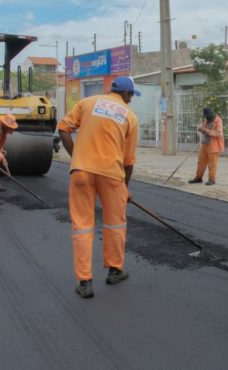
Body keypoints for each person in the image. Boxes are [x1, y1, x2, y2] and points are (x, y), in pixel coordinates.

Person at [57, 76, 140, 299]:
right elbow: (128, 161)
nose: (130, 100)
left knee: (82, 226)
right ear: (126, 94)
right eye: (131, 96)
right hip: (112, 175)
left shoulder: (88, 102)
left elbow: (63, 128)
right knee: (115, 224)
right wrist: (124, 188)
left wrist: (77, 158)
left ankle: (84, 283)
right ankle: (115, 270)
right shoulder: (129, 116)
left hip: (81, 172)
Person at [188, 107, 224, 186]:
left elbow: (218, 134)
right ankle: (198, 178)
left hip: (213, 145)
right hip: (204, 144)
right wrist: (201, 129)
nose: (206, 118)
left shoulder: (218, 121)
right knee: (201, 162)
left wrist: (206, 131)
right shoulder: (206, 120)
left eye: (207, 116)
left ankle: (212, 179)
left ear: (211, 114)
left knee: (212, 163)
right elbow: (204, 130)